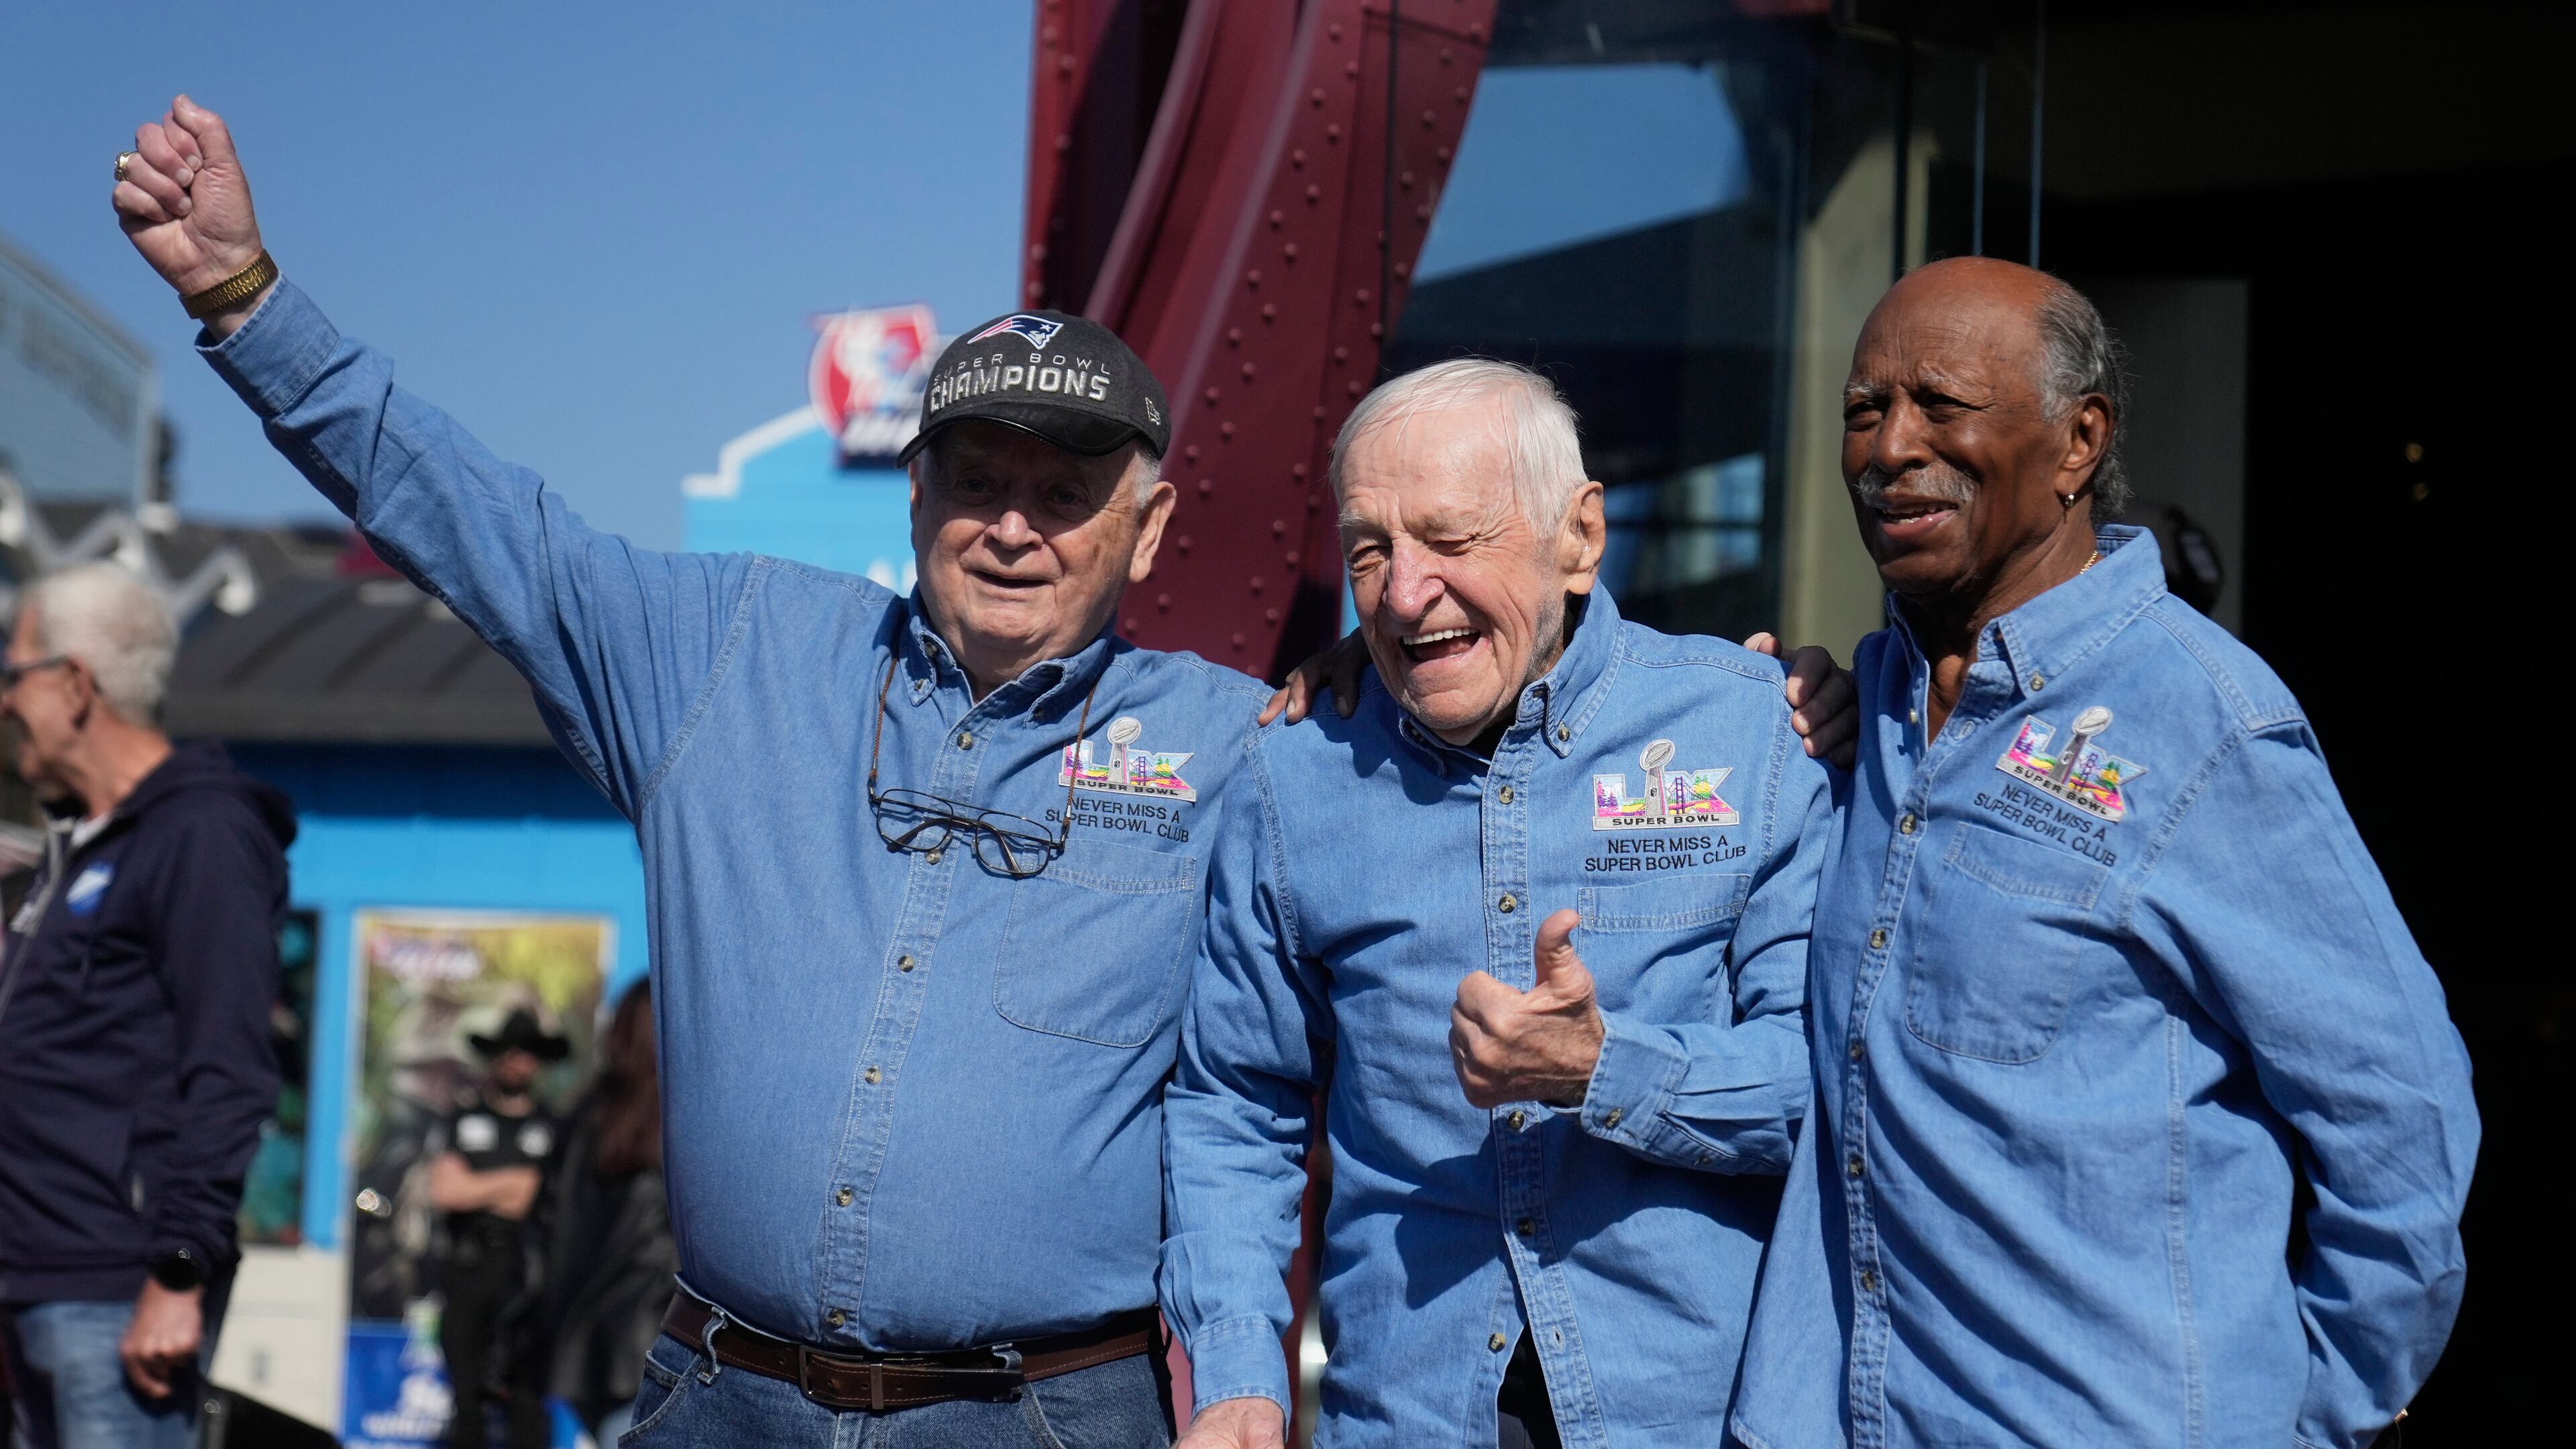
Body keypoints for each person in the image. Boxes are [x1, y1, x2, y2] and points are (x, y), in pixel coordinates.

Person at [108, 97, 1854, 1447]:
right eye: (976, 474)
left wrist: (1770, 712)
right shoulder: (717, 655)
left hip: (1052, 1413)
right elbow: (467, 515)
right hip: (723, 1399)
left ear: (1150, 524)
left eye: (1067, 483)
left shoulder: (1250, 739)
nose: (1014, 521)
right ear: (917, 487)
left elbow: (1297, 1025)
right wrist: (251, 303)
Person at [1727, 257, 2479, 1449]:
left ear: (2078, 443)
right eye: (1864, 411)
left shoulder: (2205, 727)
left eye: (1941, 405)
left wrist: (2320, 1416)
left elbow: (2403, 1125)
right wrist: (1347, 671)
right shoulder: (1859, 710)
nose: (1888, 449)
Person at [1165, 360, 1835, 1449]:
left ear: (1577, 537)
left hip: (1698, 1416)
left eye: (1449, 537)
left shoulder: (1758, 736)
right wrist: (1239, 1367)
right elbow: (1235, 1103)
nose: (1401, 592)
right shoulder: (1294, 775)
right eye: (1370, 551)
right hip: (1407, 1412)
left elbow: (1833, 1087)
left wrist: (1604, 1071)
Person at [0, 562, 295, 1449]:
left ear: (75, 685)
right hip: (40, 1283)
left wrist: (179, 1268)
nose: (5, 702)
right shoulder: (83, 850)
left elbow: (231, 1069)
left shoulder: (198, 833)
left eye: (12, 676)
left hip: (116, 1299)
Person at [517, 981, 678, 1447]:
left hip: (584, 1354)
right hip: (658, 1353)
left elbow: (537, 1244)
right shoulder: (685, 1127)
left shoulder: (588, 1120)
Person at [428, 1008, 566, 1449]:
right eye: (509, 1052)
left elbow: (541, 1196)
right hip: (470, 1267)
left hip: (528, 1274)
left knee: (526, 1401)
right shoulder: (464, 1119)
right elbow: (446, 1190)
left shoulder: (554, 1127)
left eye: (528, 1054)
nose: (518, 1062)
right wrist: (512, 1181)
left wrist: (482, 1185)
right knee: (467, 1404)